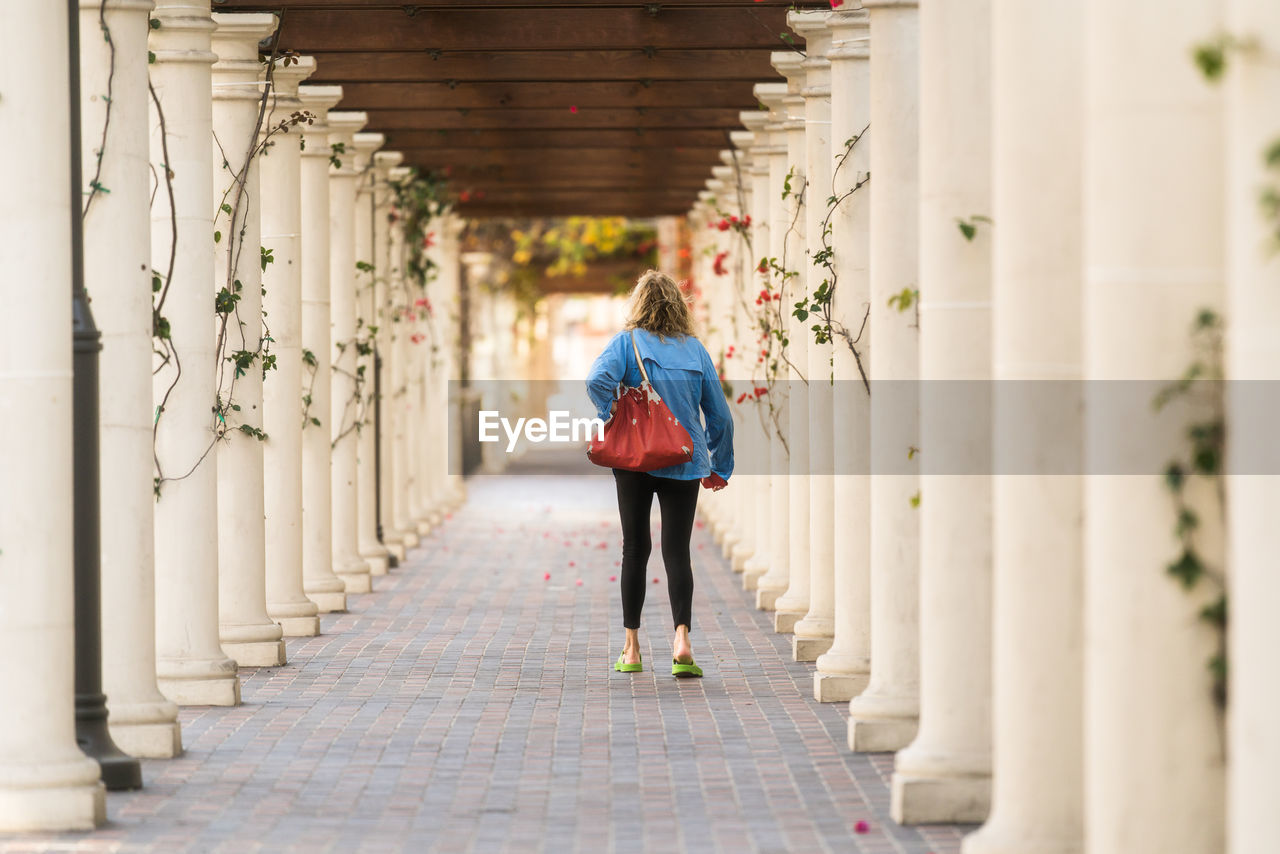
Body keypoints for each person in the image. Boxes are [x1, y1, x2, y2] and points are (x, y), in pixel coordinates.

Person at [586, 270, 734, 678]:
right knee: (677, 550)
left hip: (633, 460)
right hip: (683, 459)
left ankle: (632, 649)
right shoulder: (695, 350)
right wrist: (721, 464)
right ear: (677, 306)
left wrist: (612, 413)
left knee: (635, 547)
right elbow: (719, 415)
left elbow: (597, 379)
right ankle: (682, 639)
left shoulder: (625, 344)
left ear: (638, 304)